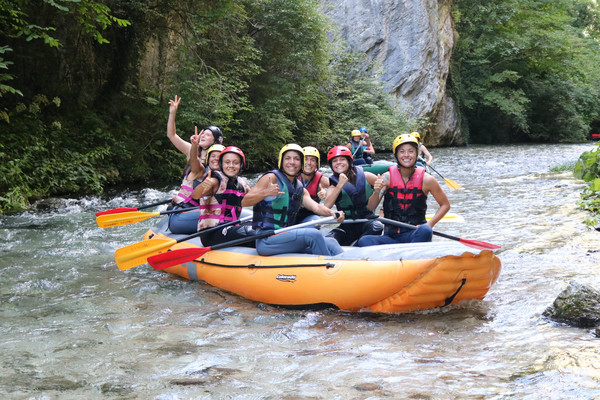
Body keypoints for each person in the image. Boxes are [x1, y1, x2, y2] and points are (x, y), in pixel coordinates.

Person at [242, 144, 345, 256]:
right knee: (314, 235)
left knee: (331, 242)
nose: (292, 162)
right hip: (267, 239)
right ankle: (328, 268)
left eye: (296, 159)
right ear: (281, 161)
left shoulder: (299, 187)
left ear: (301, 164)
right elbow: (244, 202)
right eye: (288, 158)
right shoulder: (271, 178)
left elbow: (316, 207)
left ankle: (347, 268)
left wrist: (333, 213)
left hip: (284, 235)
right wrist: (265, 193)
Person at [357, 134, 450, 246]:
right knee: (364, 240)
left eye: (411, 151)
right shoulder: (387, 177)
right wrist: (376, 191)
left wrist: (430, 224)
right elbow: (371, 207)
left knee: (425, 230)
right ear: (396, 155)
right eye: (402, 151)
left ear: (416, 154)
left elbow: (445, 205)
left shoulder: (427, 180)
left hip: (414, 234)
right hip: (391, 236)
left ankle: (411, 255)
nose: (406, 155)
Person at [191, 146, 255, 246]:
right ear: (221, 164)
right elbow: (196, 195)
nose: (231, 166)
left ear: (241, 165)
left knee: (260, 226)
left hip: (230, 227)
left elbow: (254, 198)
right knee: (249, 231)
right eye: (227, 162)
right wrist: (204, 185)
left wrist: (267, 193)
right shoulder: (215, 180)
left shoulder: (242, 183)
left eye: (236, 163)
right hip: (212, 232)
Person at [323, 145, 383, 246]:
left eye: (342, 159)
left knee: (377, 227)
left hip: (367, 221)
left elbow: (385, 189)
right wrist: (340, 185)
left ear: (349, 162)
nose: (338, 163)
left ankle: (358, 245)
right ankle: (354, 246)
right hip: (347, 225)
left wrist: (382, 211)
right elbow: (326, 208)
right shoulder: (333, 187)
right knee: (330, 239)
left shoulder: (366, 176)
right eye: (335, 161)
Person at [167, 95, 224, 165]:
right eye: (203, 134)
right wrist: (172, 113)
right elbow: (171, 135)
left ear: (215, 141)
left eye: (208, 135)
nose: (202, 136)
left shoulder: (219, 158)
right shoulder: (191, 150)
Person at [295, 146, 330, 224]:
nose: (309, 163)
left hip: (309, 217)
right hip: (291, 216)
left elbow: (338, 189)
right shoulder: (292, 176)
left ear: (317, 163)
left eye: (313, 160)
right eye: (306, 159)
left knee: (316, 222)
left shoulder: (322, 180)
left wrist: (327, 193)